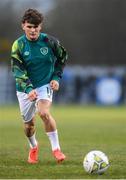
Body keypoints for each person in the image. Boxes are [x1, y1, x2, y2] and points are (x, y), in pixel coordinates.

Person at [11, 8, 68, 164]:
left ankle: (56, 150)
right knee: (29, 125)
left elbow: (63, 58)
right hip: (24, 89)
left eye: (36, 26)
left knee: (44, 113)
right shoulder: (18, 45)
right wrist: (29, 89)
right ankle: (33, 147)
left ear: (40, 26)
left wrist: (56, 77)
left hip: (44, 85)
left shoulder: (50, 42)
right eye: (29, 26)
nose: (33, 30)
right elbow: (17, 69)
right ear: (23, 26)